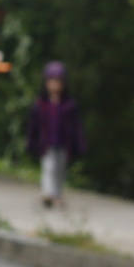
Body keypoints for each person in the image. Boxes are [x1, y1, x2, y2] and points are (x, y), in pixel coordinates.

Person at [26, 60, 87, 207]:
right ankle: (48, 194)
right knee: (48, 168)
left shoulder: (69, 105)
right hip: (46, 144)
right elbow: (33, 126)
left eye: (57, 81)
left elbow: (76, 127)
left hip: (63, 143)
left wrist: (80, 144)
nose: (54, 85)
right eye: (51, 81)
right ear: (46, 83)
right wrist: (31, 142)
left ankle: (57, 195)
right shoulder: (40, 104)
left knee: (60, 170)